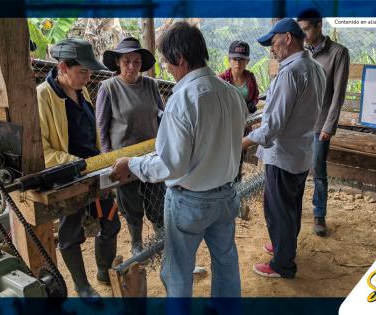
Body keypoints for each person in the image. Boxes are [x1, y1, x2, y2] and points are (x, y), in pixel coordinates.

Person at [110, 21, 247, 297]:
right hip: (226, 196)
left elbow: (170, 164)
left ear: (181, 58)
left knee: (177, 272)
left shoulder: (182, 99)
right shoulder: (232, 94)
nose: (168, 70)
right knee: (226, 264)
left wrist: (132, 164)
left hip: (190, 202)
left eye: (168, 63)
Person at [242, 18, 326, 278]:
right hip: (301, 152)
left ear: (288, 39)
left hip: (282, 154)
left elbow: (273, 125)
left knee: (279, 210)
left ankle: (283, 264)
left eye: (274, 42)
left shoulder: (289, 72)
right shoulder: (315, 68)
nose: (272, 48)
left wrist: (243, 141)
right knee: (291, 206)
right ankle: (283, 247)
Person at [37, 38, 120, 297]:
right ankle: (82, 286)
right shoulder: (42, 96)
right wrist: (73, 163)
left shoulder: (81, 90)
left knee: (110, 221)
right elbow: (42, 149)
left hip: (94, 168)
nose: (88, 76)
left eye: (90, 71)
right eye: (82, 71)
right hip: (68, 175)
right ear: (63, 66)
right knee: (71, 232)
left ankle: (104, 270)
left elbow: (91, 132)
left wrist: (98, 160)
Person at [96, 37, 165, 256]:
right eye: (127, 61)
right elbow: (102, 127)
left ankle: (161, 240)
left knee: (157, 200)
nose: (132, 66)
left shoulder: (151, 85)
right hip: (123, 160)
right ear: (117, 62)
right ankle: (137, 245)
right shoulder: (108, 88)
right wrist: (108, 161)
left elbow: (162, 117)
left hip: (152, 155)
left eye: (136, 61)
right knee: (131, 205)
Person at [298, 9, 350, 237]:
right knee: (296, 167)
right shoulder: (301, 52)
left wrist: (329, 126)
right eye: (301, 30)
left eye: (307, 29)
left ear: (319, 26)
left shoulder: (338, 53)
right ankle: (295, 208)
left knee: (318, 170)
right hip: (299, 124)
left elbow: (338, 94)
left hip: (320, 124)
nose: (304, 34)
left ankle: (319, 214)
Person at [218, 40, 260, 114]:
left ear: (247, 61)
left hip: (246, 118)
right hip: (228, 120)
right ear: (229, 60)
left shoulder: (250, 78)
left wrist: (252, 103)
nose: (238, 63)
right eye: (234, 59)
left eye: (242, 59)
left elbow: (255, 96)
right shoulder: (222, 79)